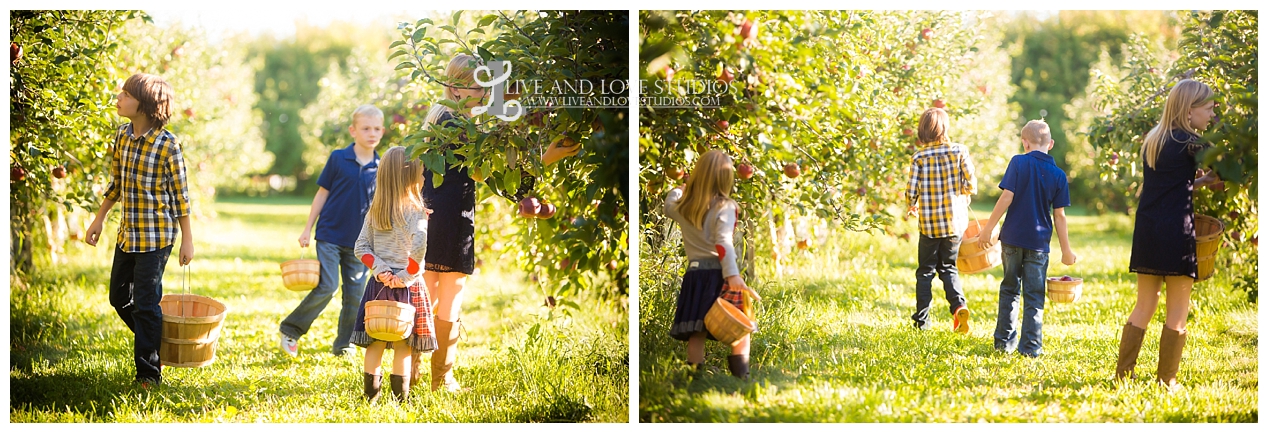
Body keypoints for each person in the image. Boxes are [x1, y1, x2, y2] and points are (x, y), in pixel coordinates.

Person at [84, 73, 193, 388]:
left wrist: (188, 240)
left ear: (144, 105)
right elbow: (116, 184)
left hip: (156, 238)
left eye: (126, 94)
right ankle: (157, 340)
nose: (118, 98)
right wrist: (99, 218)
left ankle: (148, 373)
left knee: (146, 303)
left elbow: (181, 197)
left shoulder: (168, 145)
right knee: (119, 297)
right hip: (128, 233)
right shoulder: (121, 135)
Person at [1114, 79, 1222, 388]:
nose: (1211, 114)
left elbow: (1173, 183)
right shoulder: (1196, 144)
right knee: (1178, 308)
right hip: (1177, 229)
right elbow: (1225, 173)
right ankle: (1167, 380)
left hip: (1148, 228)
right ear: (1190, 111)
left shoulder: (1154, 139)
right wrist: (1215, 173)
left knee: (1144, 304)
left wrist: (1197, 182)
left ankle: (1124, 374)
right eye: (1208, 108)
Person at [280, 105, 384, 357]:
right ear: (353, 130)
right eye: (366, 128)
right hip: (329, 235)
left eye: (377, 128)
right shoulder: (338, 158)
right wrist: (307, 229)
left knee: (355, 294)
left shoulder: (382, 166)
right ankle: (291, 329)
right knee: (328, 286)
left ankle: (343, 345)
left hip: (360, 243)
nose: (372, 133)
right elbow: (322, 194)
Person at [978, 119, 1079, 358]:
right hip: (1038, 244)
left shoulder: (1018, 162)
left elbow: (1006, 197)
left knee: (1010, 288)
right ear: (1051, 144)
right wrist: (1066, 250)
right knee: (1034, 294)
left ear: (1025, 143)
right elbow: (1060, 216)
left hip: (1012, 240)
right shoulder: (1059, 175)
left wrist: (988, 228)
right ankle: (1031, 348)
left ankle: (1004, 343)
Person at [663, 149, 762, 379]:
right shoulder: (725, 206)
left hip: (694, 275)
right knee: (742, 327)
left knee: (697, 330)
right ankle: (742, 376)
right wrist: (733, 275)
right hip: (718, 275)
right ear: (727, 179)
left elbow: (669, 206)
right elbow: (723, 243)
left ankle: (693, 376)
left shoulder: (685, 206)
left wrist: (678, 191)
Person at [351, 146, 435, 402]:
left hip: (379, 287)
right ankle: (401, 399)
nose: (423, 177)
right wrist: (405, 275)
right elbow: (419, 245)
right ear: (409, 176)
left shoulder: (376, 211)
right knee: (403, 344)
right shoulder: (415, 212)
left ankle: (370, 397)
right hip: (407, 288)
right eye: (421, 172)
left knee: (375, 343)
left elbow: (360, 247)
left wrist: (381, 269)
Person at [905, 107, 977, 333]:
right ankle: (958, 307)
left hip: (929, 224)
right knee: (948, 268)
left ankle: (922, 322)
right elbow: (971, 181)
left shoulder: (918, 157)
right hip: (954, 224)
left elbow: (911, 189)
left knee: (925, 271)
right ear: (945, 128)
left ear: (923, 131)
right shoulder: (959, 151)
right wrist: (964, 193)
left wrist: (911, 203)